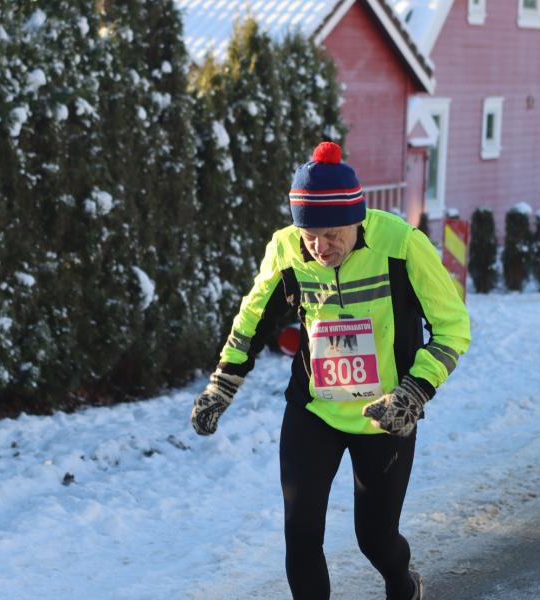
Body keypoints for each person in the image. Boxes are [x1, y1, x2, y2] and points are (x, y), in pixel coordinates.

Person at [191, 141, 471, 600]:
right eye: (310, 235)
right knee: (300, 531)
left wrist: (413, 393)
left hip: (384, 414)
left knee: (376, 540)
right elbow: (251, 319)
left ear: (358, 217)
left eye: (333, 234)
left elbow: (453, 327)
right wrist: (222, 385)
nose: (321, 248)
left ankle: (404, 586)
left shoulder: (401, 244)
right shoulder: (286, 250)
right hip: (314, 410)